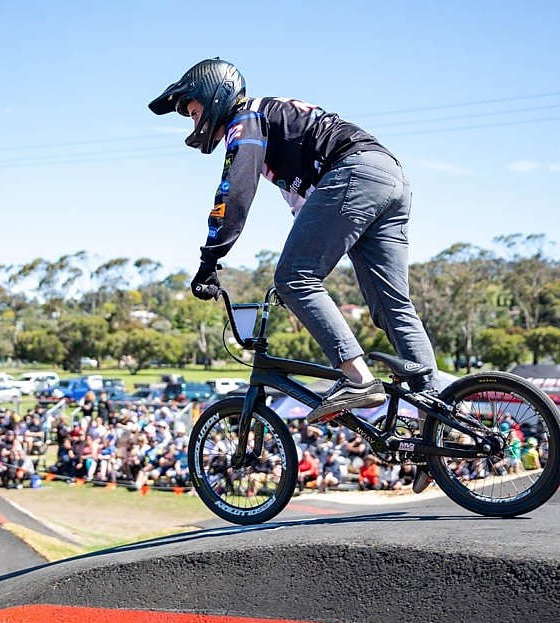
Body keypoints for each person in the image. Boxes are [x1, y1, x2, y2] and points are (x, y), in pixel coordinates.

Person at [149, 58, 438, 487]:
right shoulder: (275, 126)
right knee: (390, 306)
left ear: (213, 96)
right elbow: (308, 213)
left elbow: (233, 195)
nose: (194, 121)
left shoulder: (245, 121)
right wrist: (300, 284)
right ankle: (443, 421)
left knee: (293, 275)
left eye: (192, 111)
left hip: (354, 171)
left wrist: (210, 258)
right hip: (389, 175)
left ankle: (357, 379)